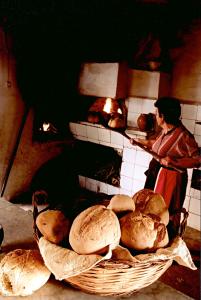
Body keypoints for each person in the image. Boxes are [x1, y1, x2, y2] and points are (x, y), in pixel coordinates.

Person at [131, 97, 201, 238]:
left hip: (172, 179)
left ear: (163, 116)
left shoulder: (184, 136)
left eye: (157, 113)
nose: (155, 116)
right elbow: (156, 146)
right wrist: (140, 142)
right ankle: (147, 238)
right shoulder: (164, 130)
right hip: (157, 174)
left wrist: (174, 161)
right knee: (150, 208)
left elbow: (198, 160)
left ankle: (163, 242)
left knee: (165, 213)